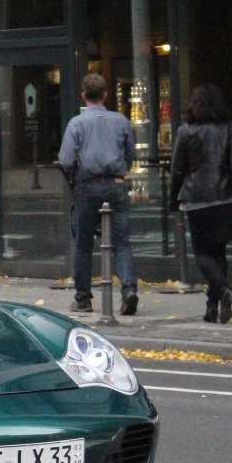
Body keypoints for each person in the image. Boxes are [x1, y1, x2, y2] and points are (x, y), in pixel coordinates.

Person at [168, 84, 232, 324]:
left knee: (203, 254)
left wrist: (173, 199)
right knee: (219, 252)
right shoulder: (231, 129)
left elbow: (177, 169)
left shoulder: (186, 132)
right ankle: (212, 306)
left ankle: (224, 290)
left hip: (198, 198)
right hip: (228, 197)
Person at [57, 72, 139, 315]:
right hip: (115, 183)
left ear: (84, 96)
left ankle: (83, 298)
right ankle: (129, 289)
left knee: (83, 243)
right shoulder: (121, 120)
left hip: (87, 185)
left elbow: (65, 158)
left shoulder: (77, 123)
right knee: (122, 242)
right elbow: (131, 153)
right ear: (105, 94)